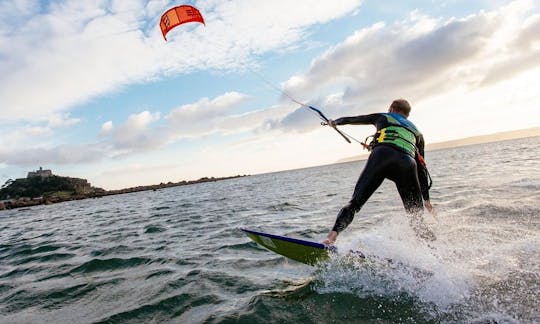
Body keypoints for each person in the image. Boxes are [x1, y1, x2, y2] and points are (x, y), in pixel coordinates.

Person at [323, 99, 435, 244]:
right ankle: (435, 253)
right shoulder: (418, 133)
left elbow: (355, 119)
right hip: (408, 164)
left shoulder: (384, 116)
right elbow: (422, 168)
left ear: (392, 109)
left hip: (382, 155)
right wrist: (426, 198)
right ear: (407, 114)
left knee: (355, 203)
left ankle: (330, 238)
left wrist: (335, 122)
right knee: (416, 218)